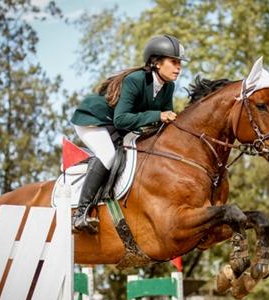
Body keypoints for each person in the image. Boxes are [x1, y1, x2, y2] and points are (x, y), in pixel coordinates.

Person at [70, 34, 188, 233]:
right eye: (174, 62)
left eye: (180, 63)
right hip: (94, 121)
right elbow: (121, 119)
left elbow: (161, 123)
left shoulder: (169, 87)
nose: (179, 67)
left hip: (119, 126)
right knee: (108, 155)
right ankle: (80, 214)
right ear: (157, 63)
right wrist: (158, 115)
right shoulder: (135, 80)